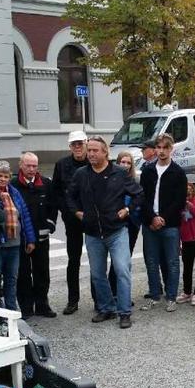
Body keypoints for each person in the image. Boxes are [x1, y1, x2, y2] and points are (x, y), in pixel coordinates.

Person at [66, 136, 144, 329]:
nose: (91, 153)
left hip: (117, 231)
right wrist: (77, 212)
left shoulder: (120, 173)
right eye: (89, 150)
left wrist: (127, 210)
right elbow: (70, 196)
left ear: (105, 153)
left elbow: (139, 194)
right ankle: (106, 308)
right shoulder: (81, 174)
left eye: (95, 150)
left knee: (122, 270)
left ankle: (124, 312)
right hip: (92, 233)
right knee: (97, 274)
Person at [139, 133, 189, 312]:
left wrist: (163, 218)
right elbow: (142, 197)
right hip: (149, 223)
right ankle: (154, 295)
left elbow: (179, 200)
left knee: (172, 261)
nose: (161, 151)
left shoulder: (178, 172)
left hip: (170, 224)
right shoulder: (148, 171)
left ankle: (171, 297)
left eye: (165, 148)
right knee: (151, 261)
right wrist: (152, 217)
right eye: (158, 147)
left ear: (171, 149)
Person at [0, 161, 36, 312]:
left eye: (6, 176)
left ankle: (12, 311)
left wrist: (30, 239)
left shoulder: (14, 192)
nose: (2, 179)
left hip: (15, 244)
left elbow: (24, 215)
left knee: (11, 279)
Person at [12, 152, 58, 318]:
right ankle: (26, 307)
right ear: (21, 165)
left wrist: (50, 225)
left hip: (41, 236)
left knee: (42, 272)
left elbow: (53, 206)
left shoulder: (45, 183)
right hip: (21, 237)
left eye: (34, 166)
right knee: (23, 273)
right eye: (28, 165)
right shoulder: (13, 184)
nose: (31, 169)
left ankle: (42, 305)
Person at [53, 130, 91, 315]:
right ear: (70, 146)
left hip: (91, 217)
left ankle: (99, 298)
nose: (77, 147)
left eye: (80, 143)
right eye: (73, 144)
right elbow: (57, 191)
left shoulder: (93, 161)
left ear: (86, 143)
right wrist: (67, 211)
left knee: (96, 259)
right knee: (73, 260)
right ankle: (72, 300)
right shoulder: (61, 164)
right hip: (72, 218)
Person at [108, 151, 143, 297]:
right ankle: (113, 293)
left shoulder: (134, 181)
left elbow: (139, 200)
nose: (126, 165)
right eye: (123, 162)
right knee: (116, 262)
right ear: (118, 162)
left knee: (126, 261)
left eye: (129, 163)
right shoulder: (112, 179)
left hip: (132, 224)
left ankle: (123, 294)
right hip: (117, 225)